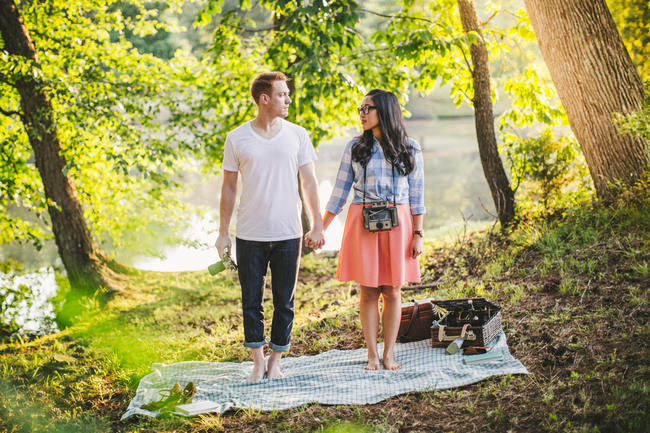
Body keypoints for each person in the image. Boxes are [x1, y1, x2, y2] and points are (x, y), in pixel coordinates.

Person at [215, 72, 325, 383]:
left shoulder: (297, 134)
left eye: (287, 94)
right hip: (250, 234)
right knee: (251, 301)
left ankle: (276, 360)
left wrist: (316, 224)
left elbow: (309, 181)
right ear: (265, 99)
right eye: (282, 95)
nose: (288, 99)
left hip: (289, 233)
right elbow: (228, 189)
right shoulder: (237, 138)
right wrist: (223, 233)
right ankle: (257, 361)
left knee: (284, 302)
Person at [322, 89, 425, 371]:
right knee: (368, 290)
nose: (362, 113)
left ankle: (389, 353)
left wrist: (418, 234)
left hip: (398, 222)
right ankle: (371, 354)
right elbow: (339, 193)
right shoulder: (355, 147)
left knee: (392, 291)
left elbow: (418, 197)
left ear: (385, 111)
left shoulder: (410, 148)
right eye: (361, 108)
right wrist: (320, 228)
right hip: (363, 220)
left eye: (368, 108)